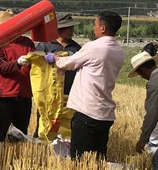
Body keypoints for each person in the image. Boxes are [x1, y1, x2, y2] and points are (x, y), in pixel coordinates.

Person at [46, 11, 124, 160]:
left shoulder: (93, 47)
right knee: (98, 157)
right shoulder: (119, 51)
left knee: (78, 157)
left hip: (87, 111)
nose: (94, 28)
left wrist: (55, 58)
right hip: (105, 113)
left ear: (103, 28)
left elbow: (68, 63)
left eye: (95, 24)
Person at [0, 9, 35, 142]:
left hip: (24, 95)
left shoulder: (28, 43)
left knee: (20, 135)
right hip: (5, 96)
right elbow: (0, 67)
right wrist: (18, 63)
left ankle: (17, 155)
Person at [35, 13, 81, 95]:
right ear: (59, 29)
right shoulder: (45, 45)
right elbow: (37, 64)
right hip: (49, 93)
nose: (71, 30)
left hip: (70, 93)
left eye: (72, 27)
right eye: (68, 28)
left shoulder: (76, 48)